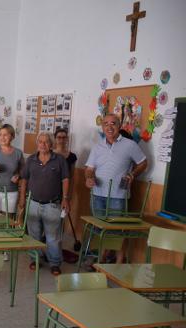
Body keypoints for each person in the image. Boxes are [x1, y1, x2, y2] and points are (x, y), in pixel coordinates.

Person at [85, 113, 148, 263]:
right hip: (97, 194)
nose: (109, 127)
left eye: (113, 123)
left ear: (119, 126)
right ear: (102, 127)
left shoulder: (130, 145)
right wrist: (88, 177)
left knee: (118, 230)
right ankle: (102, 260)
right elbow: (89, 168)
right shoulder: (97, 146)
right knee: (101, 229)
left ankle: (116, 263)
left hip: (118, 196)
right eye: (106, 124)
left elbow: (143, 163)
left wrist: (133, 174)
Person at [18, 132, 70, 276]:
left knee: (53, 237)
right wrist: (22, 199)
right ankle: (36, 259)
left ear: (51, 144)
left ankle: (54, 263)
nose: (43, 144)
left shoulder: (59, 160)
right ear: (37, 144)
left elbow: (65, 179)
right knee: (34, 235)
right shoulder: (31, 160)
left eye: (46, 142)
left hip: (53, 204)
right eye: (40, 141)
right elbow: (24, 180)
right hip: (33, 203)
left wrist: (65, 198)